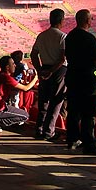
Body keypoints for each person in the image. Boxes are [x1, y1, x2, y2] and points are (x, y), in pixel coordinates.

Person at [64, 9, 96, 155]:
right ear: (87, 21)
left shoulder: (69, 37)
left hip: (72, 77)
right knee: (88, 113)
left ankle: (72, 139)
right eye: (91, 19)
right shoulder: (90, 38)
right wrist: (90, 68)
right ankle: (89, 143)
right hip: (86, 79)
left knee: (73, 110)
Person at [30, 8, 67, 141]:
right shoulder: (63, 36)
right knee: (56, 102)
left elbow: (34, 54)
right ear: (62, 21)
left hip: (44, 68)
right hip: (58, 71)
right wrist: (52, 71)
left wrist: (40, 70)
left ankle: (39, 129)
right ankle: (49, 132)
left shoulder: (42, 36)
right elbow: (62, 58)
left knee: (43, 101)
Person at [0, 55, 38, 133]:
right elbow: (26, 88)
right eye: (13, 64)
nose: (15, 65)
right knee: (25, 116)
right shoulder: (6, 78)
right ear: (7, 67)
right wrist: (36, 78)